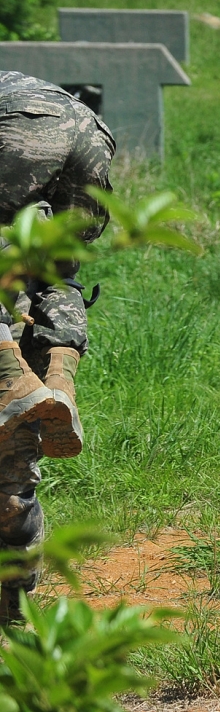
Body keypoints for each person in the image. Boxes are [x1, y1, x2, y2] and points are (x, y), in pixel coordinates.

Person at [0, 71, 113, 622]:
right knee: (56, 275)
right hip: (84, 128)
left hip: (18, 125)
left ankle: (11, 378)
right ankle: (54, 384)